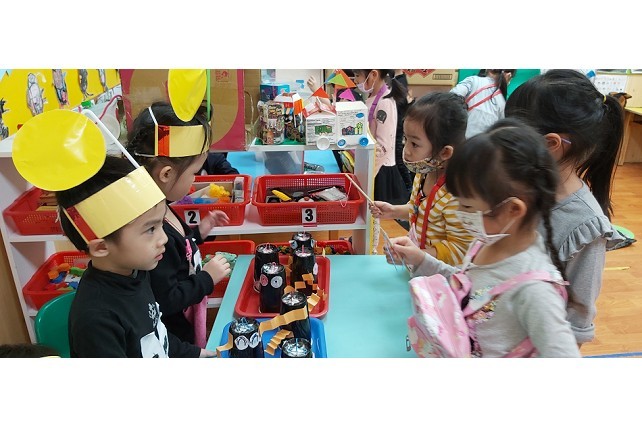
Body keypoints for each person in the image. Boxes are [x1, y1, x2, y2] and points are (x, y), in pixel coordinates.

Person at [393, 119, 580, 357]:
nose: (459, 213)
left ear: (513, 210)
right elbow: (469, 286)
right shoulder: (487, 240)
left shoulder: (534, 291)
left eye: (468, 207)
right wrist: (421, 260)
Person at [505, 69, 625, 345]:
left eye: (512, 137)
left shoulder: (584, 226)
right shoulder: (523, 185)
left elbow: (576, 323)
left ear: (550, 144)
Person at [61, 156, 212, 357]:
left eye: (161, 224)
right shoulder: (96, 320)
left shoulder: (137, 272)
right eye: (150, 229)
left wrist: (197, 353)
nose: (164, 238)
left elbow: (158, 337)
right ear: (101, 247)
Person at [126, 101, 231, 347]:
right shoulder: (153, 233)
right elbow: (167, 299)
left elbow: (181, 246)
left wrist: (199, 232)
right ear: (166, 174)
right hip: (174, 334)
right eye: (194, 172)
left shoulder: (161, 205)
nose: (194, 181)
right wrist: (206, 279)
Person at [370, 92, 473, 266]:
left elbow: (460, 250)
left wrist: (417, 256)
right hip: (420, 269)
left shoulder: (458, 194)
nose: (406, 150)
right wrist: (394, 211)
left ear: (445, 152)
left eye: (415, 144)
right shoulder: (424, 170)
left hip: (443, 277)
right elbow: (420, 209)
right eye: (405, 139)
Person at [351, 69, 407, 205]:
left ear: (373, 75)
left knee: (377, 214)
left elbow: (383, 146)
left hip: (380, 171)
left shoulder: (385, 102)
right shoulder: (371, 97)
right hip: (371, 165)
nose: (355, 80)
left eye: (358, 75)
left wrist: (368, 175)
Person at [450, 69, 515, 139]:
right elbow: (501, 129)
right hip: (484, 143)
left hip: (460, 139)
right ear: (509, 75)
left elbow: (451, 98)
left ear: (487, 69)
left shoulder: (473, 80)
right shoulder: (502, 101)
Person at [392, 70, 414, 193]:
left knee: (399, 157)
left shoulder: (399, 81)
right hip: (397, 124)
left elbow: (402, 104)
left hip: (397, 125)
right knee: (399, 156)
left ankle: (409, 187)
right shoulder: (399, 80)